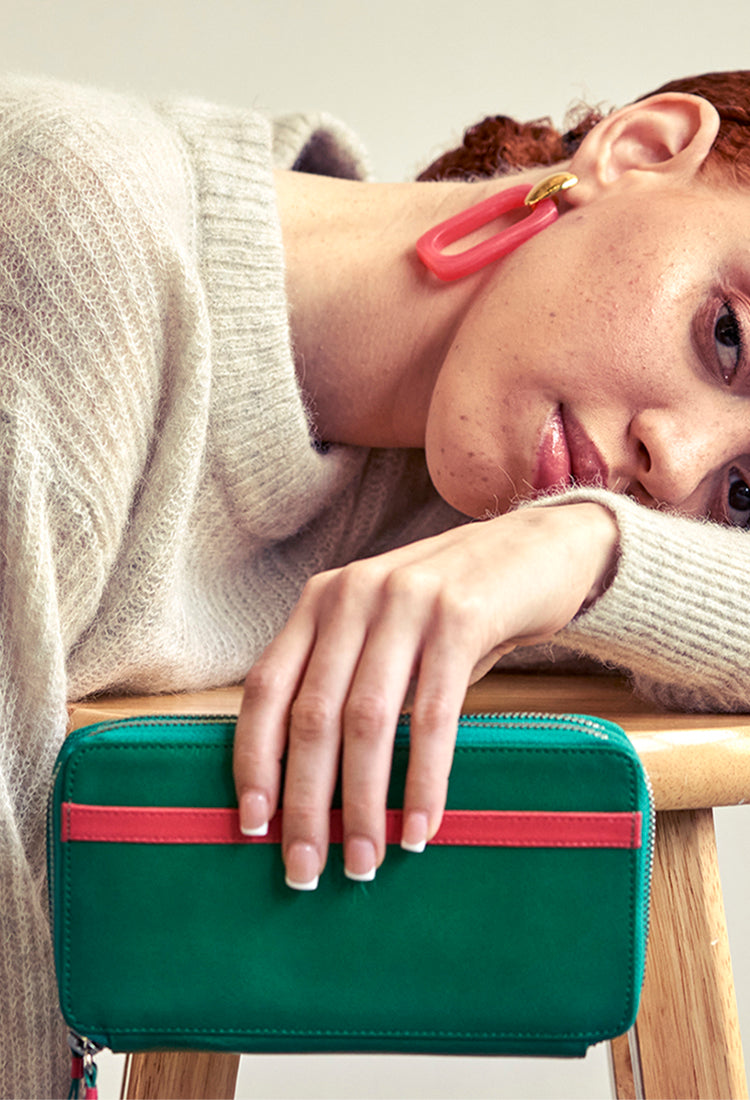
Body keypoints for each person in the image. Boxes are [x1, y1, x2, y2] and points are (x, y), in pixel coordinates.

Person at [0, 68, 748, 1097]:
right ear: (643, 149)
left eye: (742, 492)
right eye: (726, 338)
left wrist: (586, 549)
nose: (676, 461)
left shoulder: (482, 523)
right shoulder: (59, 244)